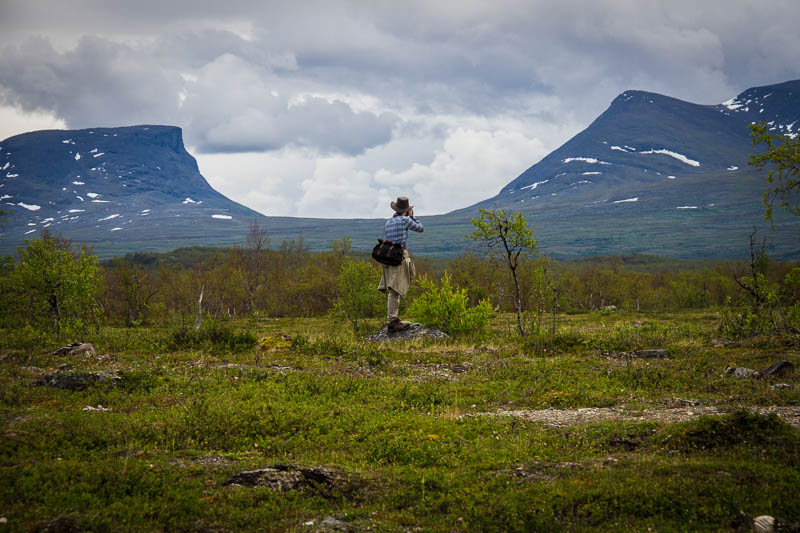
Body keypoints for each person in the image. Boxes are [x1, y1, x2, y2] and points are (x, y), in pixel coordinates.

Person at [378, 196, 424, 332]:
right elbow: (420, 228)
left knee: (393, 288)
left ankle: (392, 318)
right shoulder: (405, 220)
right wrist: (412, 218)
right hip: (399, 256)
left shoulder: (388, 222)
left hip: (389, 255)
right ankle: (392, 320)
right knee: (395, 289)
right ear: (406, 210)